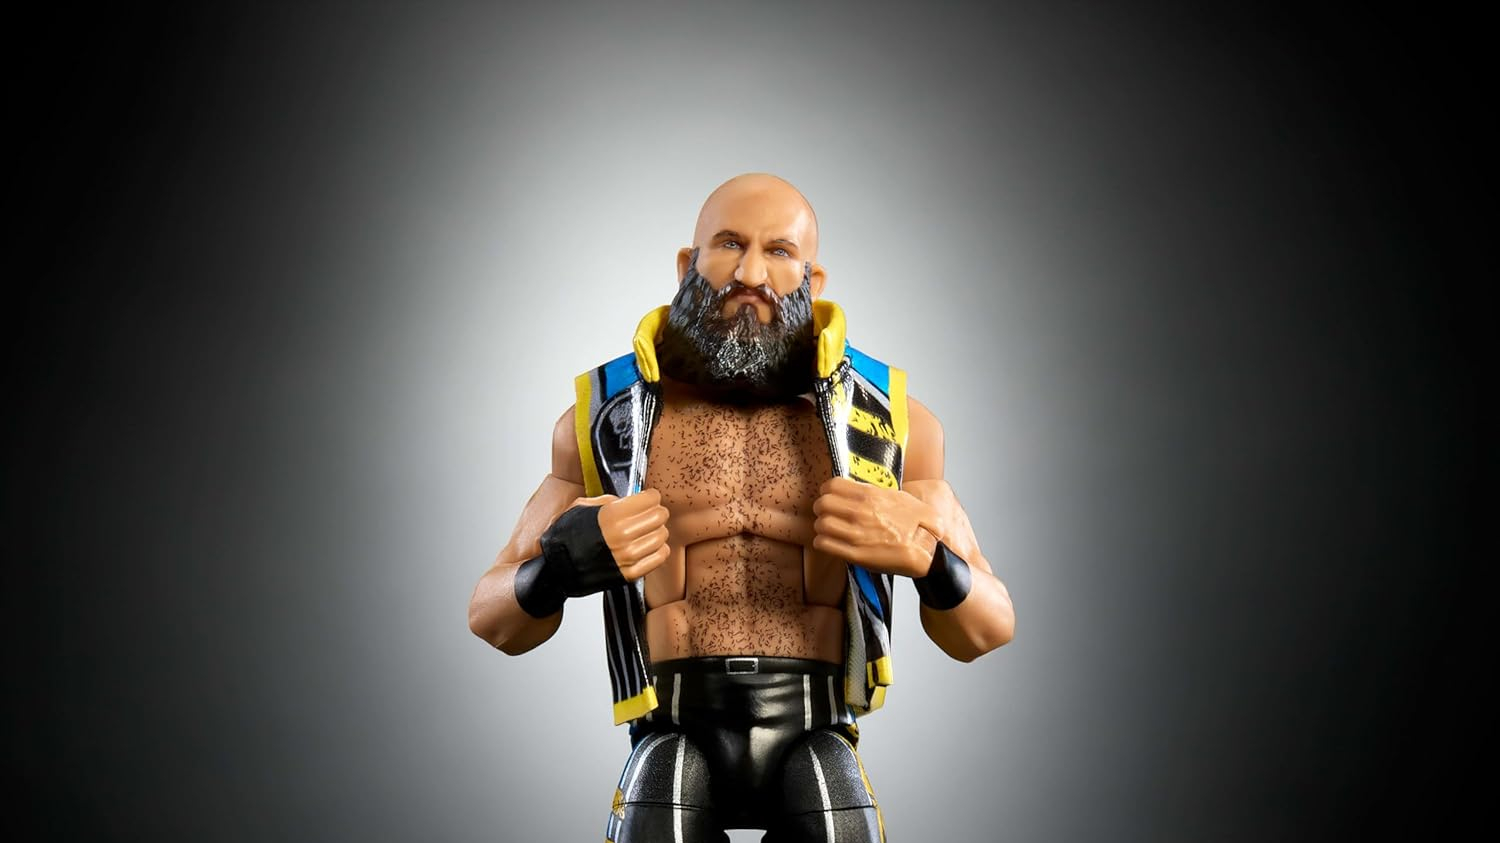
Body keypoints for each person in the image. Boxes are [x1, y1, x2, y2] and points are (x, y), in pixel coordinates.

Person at [468, 173, 1016, 842]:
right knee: (659, 802)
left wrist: (930, 559)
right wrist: (554, 569)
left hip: (815, 729)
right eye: (729, 244)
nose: (751, 273)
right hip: (674, 728)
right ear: (687, 265)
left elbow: (986, 629)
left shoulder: (889, 423)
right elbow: (492, 619)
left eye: (779, 251)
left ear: (813, 279)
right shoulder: (610, 421)